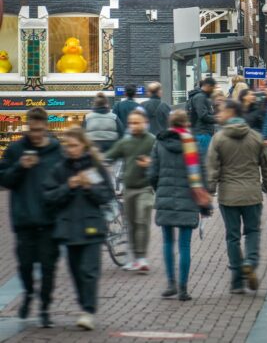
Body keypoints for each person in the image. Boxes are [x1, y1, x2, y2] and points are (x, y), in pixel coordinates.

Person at [43, 127, 114, 331]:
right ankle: (84, 305)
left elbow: (106, 195)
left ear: (83, 145)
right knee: (75, 272)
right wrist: (69, 186)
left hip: (92, 227)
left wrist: (88, 186)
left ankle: (88, 311)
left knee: (89, 271)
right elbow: (49, 196)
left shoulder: (93, 167)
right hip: (69, 229)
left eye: (74, 145)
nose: (71, 149)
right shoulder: (60, 169)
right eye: (68, 145)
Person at [206, 100, 267, 293]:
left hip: (228, 196)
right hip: (252, 195)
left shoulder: (219, 138)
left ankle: (237, 281)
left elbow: (212, 169)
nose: (218, 115)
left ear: (231, 112)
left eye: (221, 111)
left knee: (232, 237)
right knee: (253, 231)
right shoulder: (256, 137)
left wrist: (208, 194)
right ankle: (251, 262)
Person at [0, 107, 62, 328]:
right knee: (25, 265)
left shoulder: (56, 150)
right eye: (33, 130)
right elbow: (3, 179)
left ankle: (44, 307)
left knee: (48, 267)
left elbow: (64, 179)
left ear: (46, 127)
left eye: (40, 130)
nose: (36, 134)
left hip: (49, 221)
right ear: (28, 127)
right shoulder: (16, 150)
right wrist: (20, 167)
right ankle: (27, 293)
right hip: (24, 220)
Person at [150, 110, 213, 301]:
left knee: (168, 242)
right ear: (186, 123)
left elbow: (152, 174)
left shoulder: (159, 143)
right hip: (189, 198)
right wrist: (204, 195)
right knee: (184, 245)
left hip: (165, 197)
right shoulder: (192, 144)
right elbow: (202, 175)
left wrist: (159, 189)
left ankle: (171, 284)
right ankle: (183, 289)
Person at [104, 110, 156, 272]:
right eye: (131, 123)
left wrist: (151, 163)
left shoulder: (152, 141)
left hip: (145, 188)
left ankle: (142, 257)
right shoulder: (125, 142)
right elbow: (109, 156)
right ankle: (134, 258)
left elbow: (160, 160)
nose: (134, 126)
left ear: (145, 123)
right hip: (129, 189)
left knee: (142, 220)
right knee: (132, 224)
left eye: (137, 122)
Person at [187, 77, 217, 163]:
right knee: (203, 161)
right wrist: (217, 119)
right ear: (207, 86)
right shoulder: (200, 97)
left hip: (202, 132)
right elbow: (203, 115)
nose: (213, 90)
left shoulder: (201, 96)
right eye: (213, 88)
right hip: (202, 133)